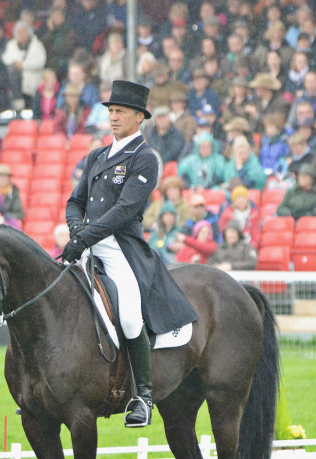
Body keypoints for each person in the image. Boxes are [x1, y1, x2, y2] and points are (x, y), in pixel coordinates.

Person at [62, 80, 197, 428]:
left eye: (120, 111)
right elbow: (75, 201)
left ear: (139, 117)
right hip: (88, 242)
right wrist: (77, 233)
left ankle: (143, 397)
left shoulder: (145, 158)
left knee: (130, 318)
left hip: (120, 247)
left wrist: (85, 236)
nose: (114, 117)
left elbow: (124, 210)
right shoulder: (96, 156)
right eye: (111, 111)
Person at [1, 20, 47, 112]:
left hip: (33, 79)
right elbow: (5, 58)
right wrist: (15, 63)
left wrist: (23, 65)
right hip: (15, 81)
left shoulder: (37, 45)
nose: (21, 34)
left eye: (23, 31)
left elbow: (40, 62)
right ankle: (17, 102)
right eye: (19, 32)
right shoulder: (11, 45)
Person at [218, 184, 262, 249]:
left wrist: (251, 246)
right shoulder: (227, 214)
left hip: (248, 247)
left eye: (243, 198)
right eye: (238, 198)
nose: (241, 201)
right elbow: (222, 232)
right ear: (234, 201)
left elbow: (256, 234)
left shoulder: (254, 215)